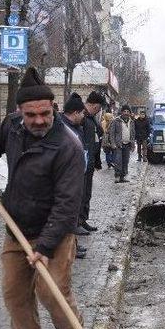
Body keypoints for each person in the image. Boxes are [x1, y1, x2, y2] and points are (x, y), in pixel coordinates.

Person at [0, 67, 87, 329]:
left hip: (56, 233)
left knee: (51, 293)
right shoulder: (11, 127)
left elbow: (67, 206)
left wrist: (46, 247)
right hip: (17, 227)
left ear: (54, 109)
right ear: (19, 112)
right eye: (31, 114)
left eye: (45, 113)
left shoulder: (68, 147)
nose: (38, 120)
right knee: (14, 292)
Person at [61, 93, 89, 259]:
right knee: (68, 213)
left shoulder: (75, 127)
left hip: (77, 174)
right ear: (75, 113)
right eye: (82, 113)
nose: (84, 116)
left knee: (72, 212)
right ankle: (70, 248)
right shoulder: (64, 128)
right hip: (67, 178)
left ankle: (73, 246)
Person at [80, 92, 105, 232]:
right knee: (81, 193)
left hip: (89, 162)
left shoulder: (91, 118)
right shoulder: (82, 117)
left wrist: (96, 161)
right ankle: (77, 222)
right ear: (94, 105)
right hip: (82, 163)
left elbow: (98, 136)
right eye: (98, 108)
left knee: (87, 193)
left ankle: (83, 220)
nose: (99, 111)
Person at [109, 105, 135, 183]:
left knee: (125, 161)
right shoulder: (116, 121)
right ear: (122, 112)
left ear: (130, 113)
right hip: (118, 145)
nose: (126, 113)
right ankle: (117, 176)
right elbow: (112, 133)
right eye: (124, 111)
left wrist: (133, 144)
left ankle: (123, 176)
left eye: (128, 111)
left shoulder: (131, 122)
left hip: (127, 144)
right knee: (118, 161)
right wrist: (113, 143)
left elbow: (133, 133)